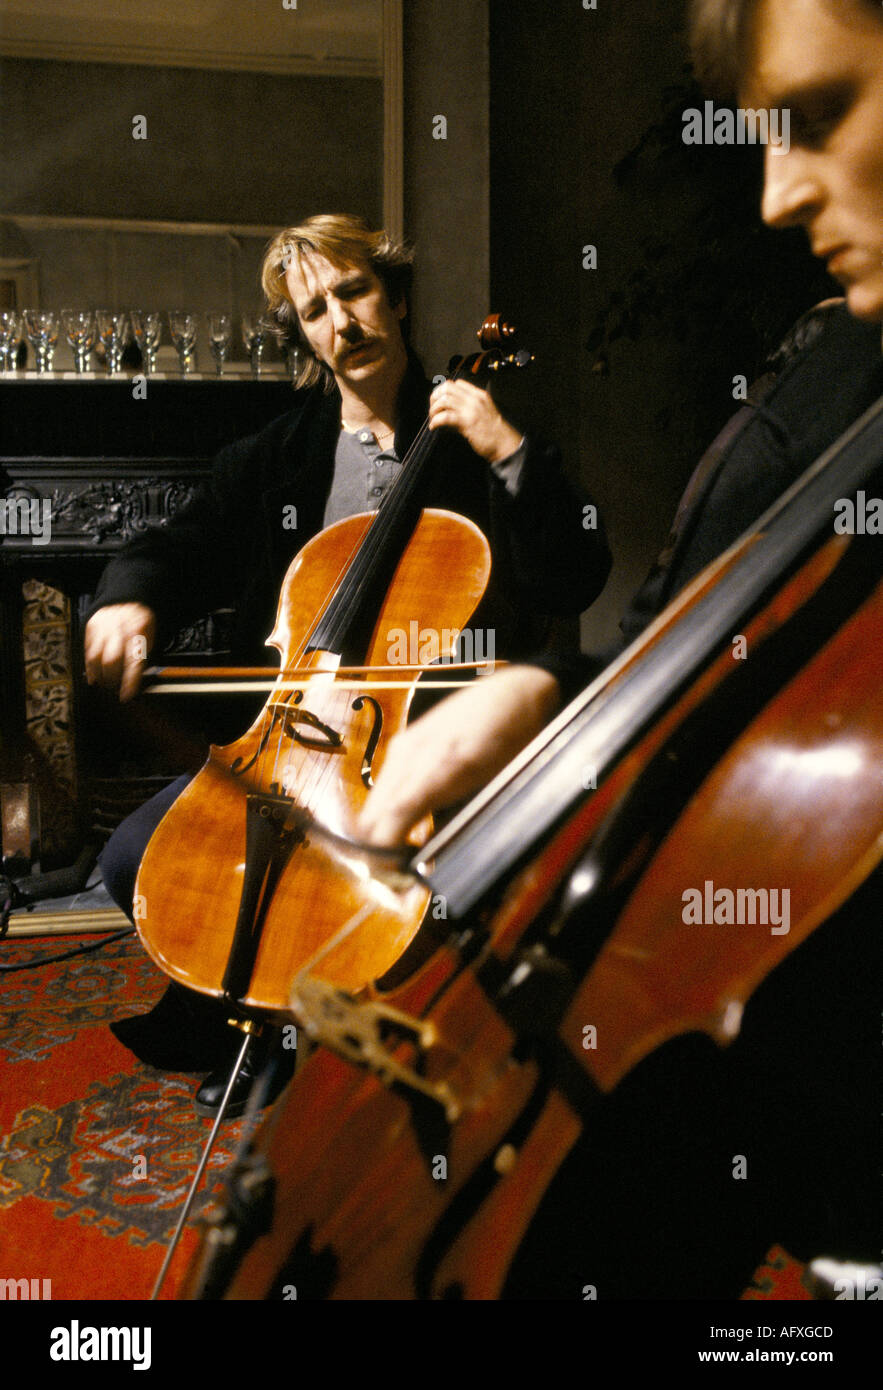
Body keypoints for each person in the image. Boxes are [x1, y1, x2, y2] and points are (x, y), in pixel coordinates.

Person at [356, 0, 883, 1297]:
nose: (768, 197)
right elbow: (722, 641)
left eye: (813, 117)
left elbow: (578, 561)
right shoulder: (839, 371)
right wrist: (549, 697)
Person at [84, 213, 611, 1115]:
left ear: (396, 298)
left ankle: (326, 1030)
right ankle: (263, 1018)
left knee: (371, 880)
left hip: (422, 737)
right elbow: (180, 544)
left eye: (356, 292)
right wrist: (129, 598)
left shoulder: (476, 437)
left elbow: (575, 568)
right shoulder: (276, 453)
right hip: (291, 730)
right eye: (316, 308)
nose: (342, 321)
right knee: (138, 854)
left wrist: (507, 450)